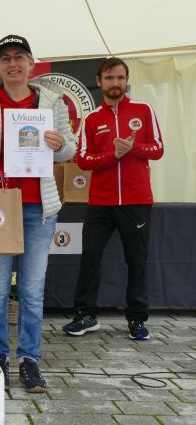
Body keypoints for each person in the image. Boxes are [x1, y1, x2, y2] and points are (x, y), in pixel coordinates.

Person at [0, 34, 76, 392]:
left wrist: (59, 144)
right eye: (5, 58)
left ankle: (29, 360)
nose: (12, 64)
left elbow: (70, 149)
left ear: (31, 63)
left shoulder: (53, 103)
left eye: (19, 57)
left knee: (32, 290)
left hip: (39, 207)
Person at [62, 57, 164, 341]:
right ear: (99, 82)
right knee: (90, 259)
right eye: (109, 78)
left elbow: (158, 149)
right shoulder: (92, 119)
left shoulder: (144, 110)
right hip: (101, 203)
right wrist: (112, 155)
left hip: (137, 200)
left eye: (120, 77)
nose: (115, 83)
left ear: (126, 80)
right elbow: (83, 159)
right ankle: (85, 316)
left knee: (137, 261)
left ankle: (137, 319)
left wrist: (133, 149)